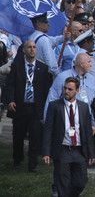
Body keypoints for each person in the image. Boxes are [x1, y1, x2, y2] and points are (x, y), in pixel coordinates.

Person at [42, 77, 95, 197]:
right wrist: (46, 152)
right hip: (63, 149)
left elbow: (87, 131)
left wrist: (91, 153)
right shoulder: (55, 106)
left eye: (70, 89)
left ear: (77, 91)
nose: (66, 91)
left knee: (81, 181)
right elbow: (48, 129)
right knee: (63, 183)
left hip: (78, 150)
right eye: (65, 88)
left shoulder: (83, 107)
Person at [5, 40, 53, 172]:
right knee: (18, 135)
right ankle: (17, 161)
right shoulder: (17, 66)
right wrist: (10, 100)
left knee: (35, 136)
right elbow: (10, 85)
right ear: (24, 50)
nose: (32, 50)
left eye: (34, 47)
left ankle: (33, 164)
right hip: (20, 106)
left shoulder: (42, 68)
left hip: (35, 107)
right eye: (29, 47)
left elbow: (46, 89)